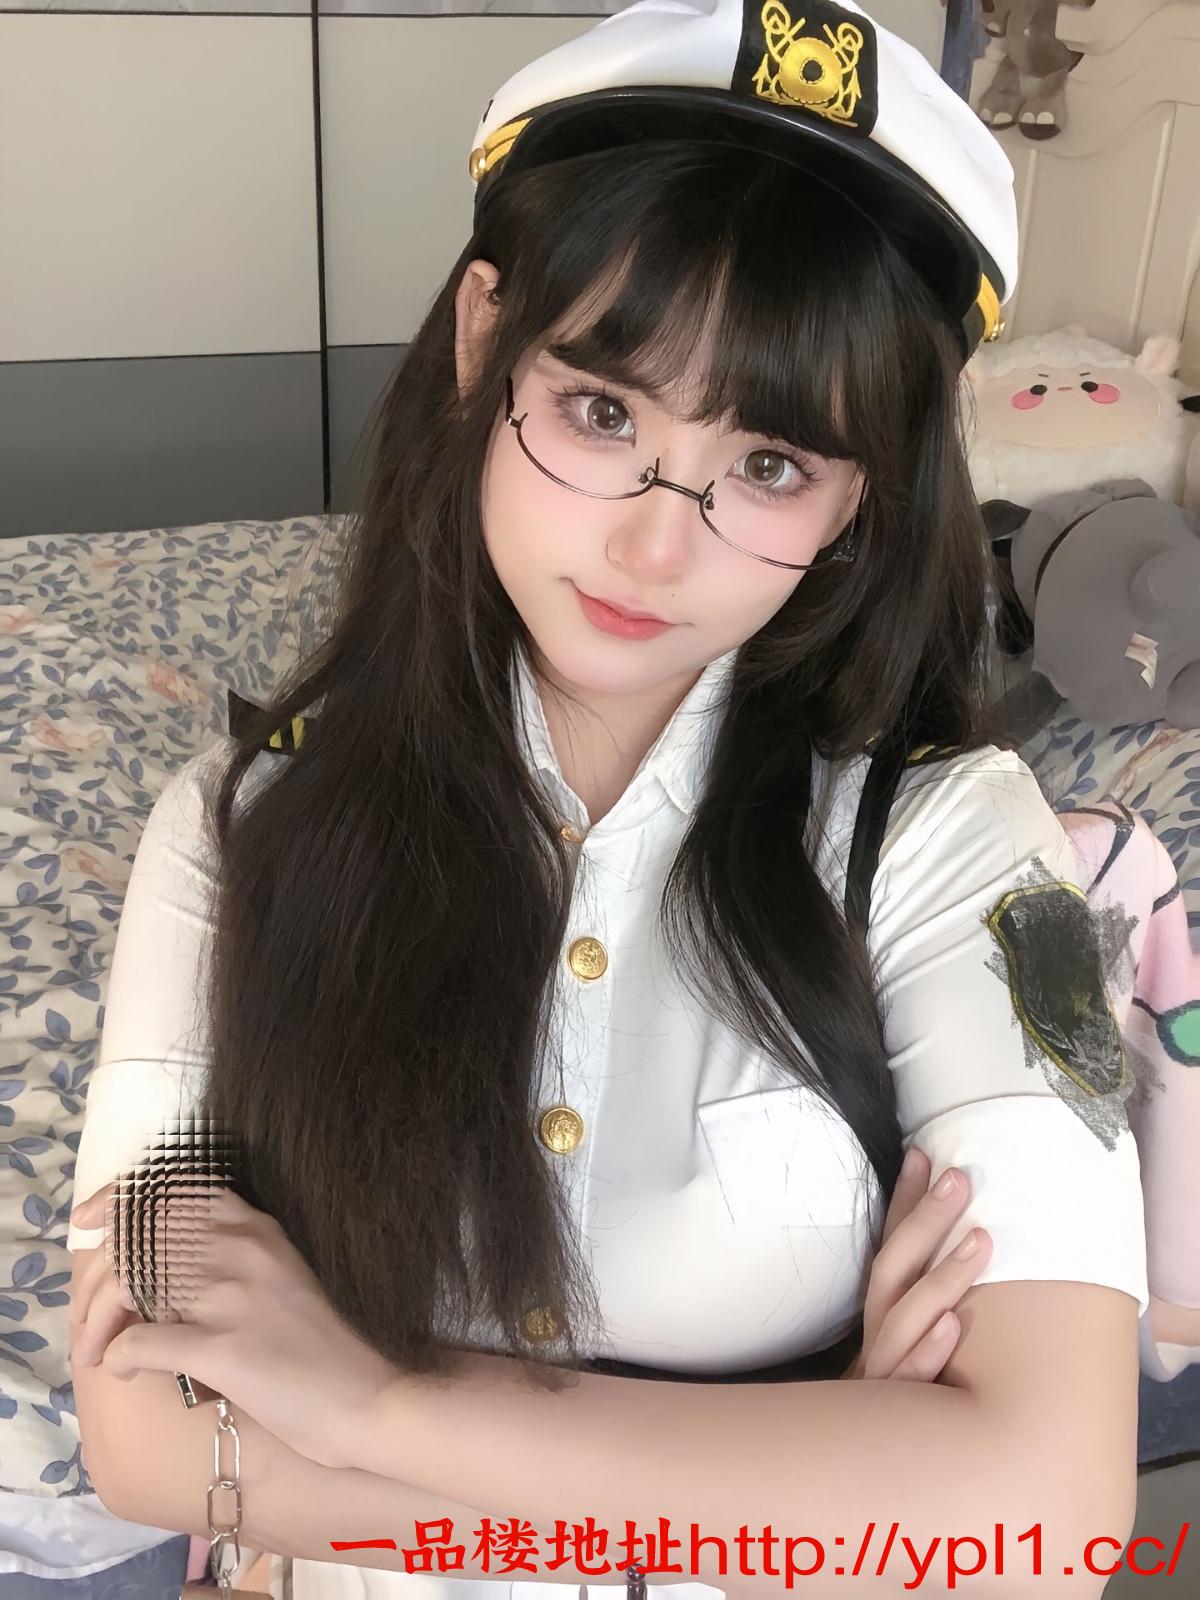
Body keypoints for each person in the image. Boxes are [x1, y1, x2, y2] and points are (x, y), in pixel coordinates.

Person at [66, 1, 1148, 1595]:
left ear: (863, 495)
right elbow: (147, 1440)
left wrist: (369, 1404)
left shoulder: (949, 844)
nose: (657, 546)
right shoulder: (236, 832)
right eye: (600, 412)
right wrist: (813, 1476)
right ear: (482, 341)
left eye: (771, 465)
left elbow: (1046, 1525)